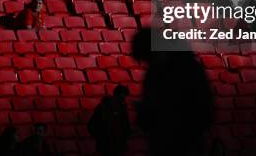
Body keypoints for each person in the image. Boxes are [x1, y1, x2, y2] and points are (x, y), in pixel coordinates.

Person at [132, 28, 214, 156]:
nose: (147, 63)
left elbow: (202, 107)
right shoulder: (156, 72)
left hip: (182, 144)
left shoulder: (185, 71)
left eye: (147, 58)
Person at [88, 85, 131, 156]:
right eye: (123, 96)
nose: (124, 99)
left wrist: (100, 138)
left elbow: (91, 125)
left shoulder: (103, 106)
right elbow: (126, 128)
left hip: (107, 146)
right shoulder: (120, 109)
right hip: (114, 146)